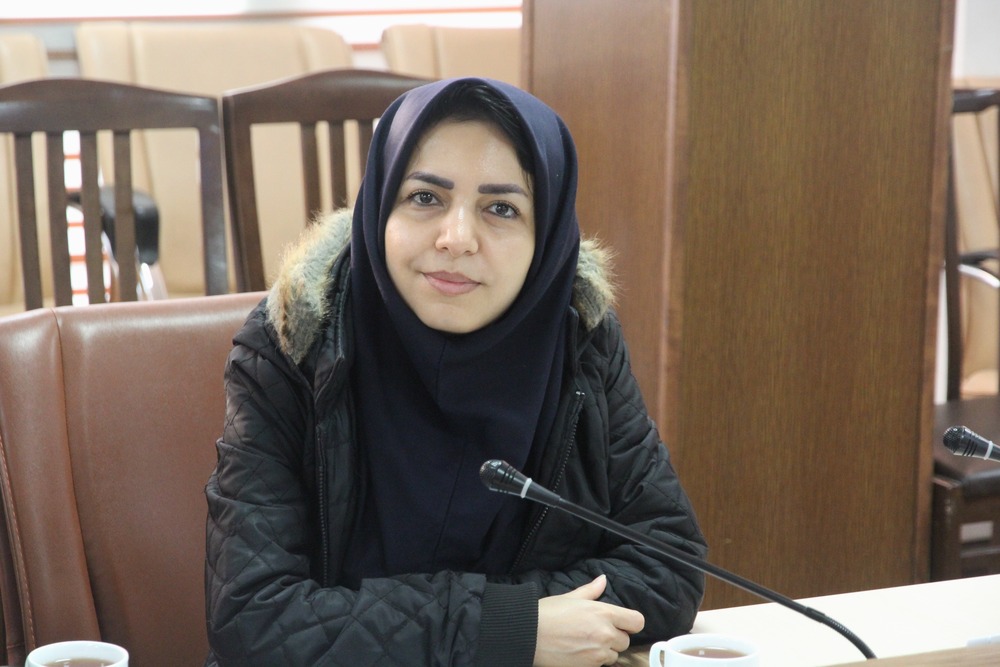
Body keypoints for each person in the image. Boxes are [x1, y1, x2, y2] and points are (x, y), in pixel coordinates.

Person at [205, 77, 707, 667]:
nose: (456, 238)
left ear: (546, 237)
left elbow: (669, 564)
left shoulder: (580, 341)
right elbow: (253, 617)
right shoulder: (294, 345)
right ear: (381, 204)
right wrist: (510, 628)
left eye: (501, 209)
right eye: (425, 197)